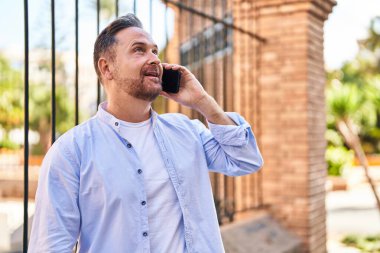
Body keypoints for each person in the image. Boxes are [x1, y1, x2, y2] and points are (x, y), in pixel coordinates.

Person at [28, 13, 263, 253]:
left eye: (155, 51)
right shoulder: (70, 152)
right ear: (106, 68)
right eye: (139, 50)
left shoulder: (187, 131)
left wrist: (203, 101)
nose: (154, 60)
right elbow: (51, 245)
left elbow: (245, 160)